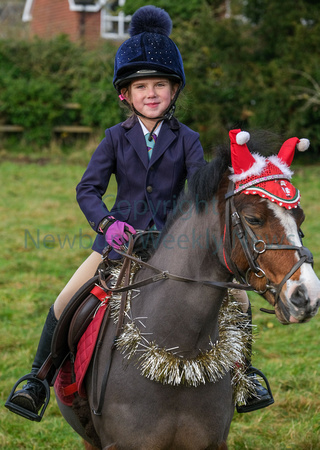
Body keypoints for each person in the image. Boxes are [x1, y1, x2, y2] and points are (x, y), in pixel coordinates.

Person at [6, 5, 272, 420]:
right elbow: (88, 188)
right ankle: (38, 380)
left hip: (177, 242)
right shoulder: (115, 138)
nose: (151, 93)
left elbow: (201, 189)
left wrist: (232, 170)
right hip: (117, 244)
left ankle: (246, 375)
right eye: (141, 86)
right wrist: (107, 223)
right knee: (64, 302)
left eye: (160, 85)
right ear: (124, 95)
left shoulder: (187, 139)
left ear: (175, 90)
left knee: (240, 298)